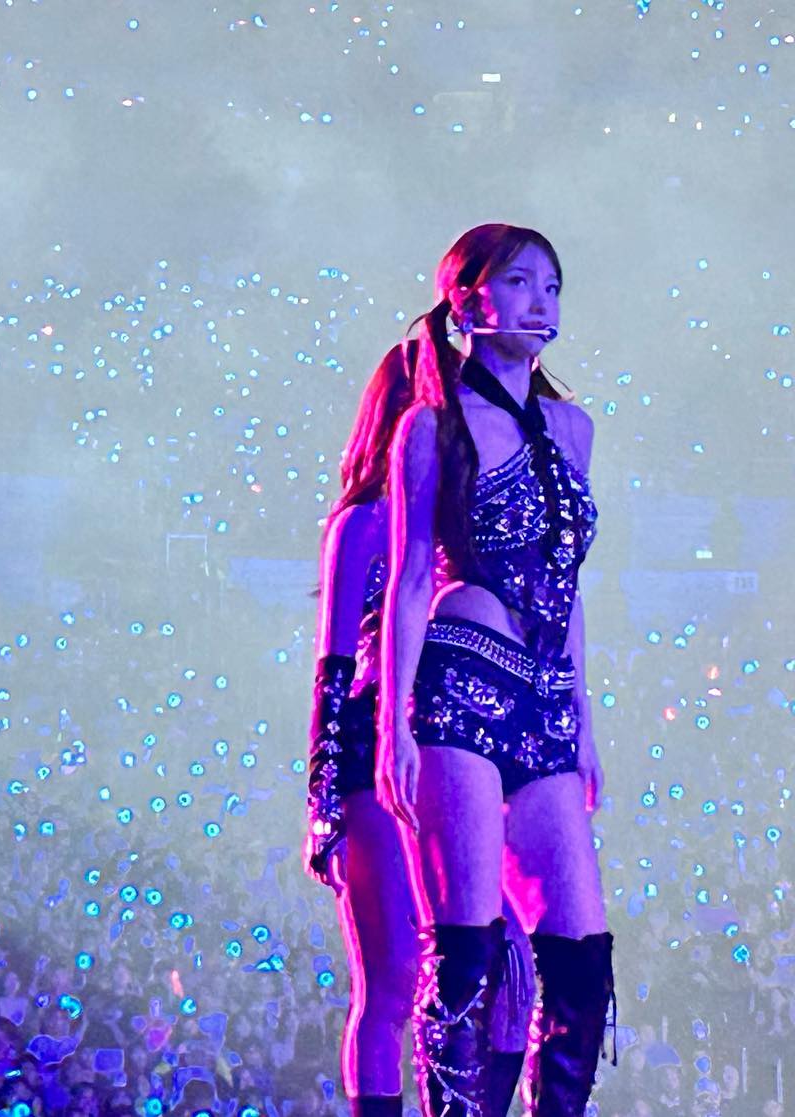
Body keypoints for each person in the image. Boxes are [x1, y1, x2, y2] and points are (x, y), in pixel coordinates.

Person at [377, 224, 612, 1115]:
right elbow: (408, 582)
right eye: (518, 282)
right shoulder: (431, 427)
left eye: (552, 284)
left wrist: (585, 721)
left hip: (547, 698)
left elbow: (569, 586)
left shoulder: (574, 427)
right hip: (463, 679)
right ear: (468, 300)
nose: (540, 300)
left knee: (581, 953)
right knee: (467, 946)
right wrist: (394, 727)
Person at [307, 343, 533, 1116]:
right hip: (374, 761)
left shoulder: (464, 531)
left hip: (456, 754)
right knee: (395, 978)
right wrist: (324, 806)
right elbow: (334, 669)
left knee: (510, 967)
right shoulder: (364, 522)